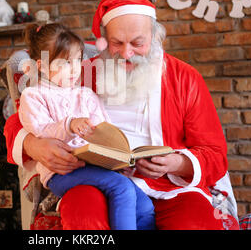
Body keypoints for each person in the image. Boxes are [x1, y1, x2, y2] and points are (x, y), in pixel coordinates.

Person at [4, 0, 239, 230]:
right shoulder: (80, 73)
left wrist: (175, 163)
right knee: (83, 216)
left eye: (138, 43)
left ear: (156, 38)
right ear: (105, 41)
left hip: (172, 188)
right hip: (97, 180)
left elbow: (215, 154)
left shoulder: (185, 78)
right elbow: (19, 120)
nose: (127, 54)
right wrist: (34, 145)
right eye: (117, 43)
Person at [18, 23, 155, 230]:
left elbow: (104, 131)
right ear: (42, 65)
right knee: (121, 189)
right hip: (60, 172)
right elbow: (39, 129)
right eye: (64, 63)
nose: (74, 69)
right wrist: (69, 124)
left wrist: (118, 157)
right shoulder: (33, 96)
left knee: (144, 206)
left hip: (94, 166)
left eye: (77, 61)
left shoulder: (85, 95)